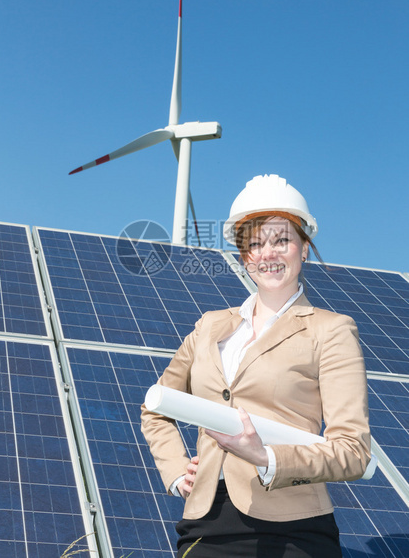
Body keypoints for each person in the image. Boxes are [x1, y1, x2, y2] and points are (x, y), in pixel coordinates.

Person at [141, 174, 371, 558]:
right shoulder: (209, 326)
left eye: (282, 240)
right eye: (254, 244)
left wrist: (267, 457)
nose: (268, 254)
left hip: (295, 533)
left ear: (304, 249)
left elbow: (352, 451)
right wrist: (177, 472)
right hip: (205, 526)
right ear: (243, 256)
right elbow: (155, 406)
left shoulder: (331, 330)